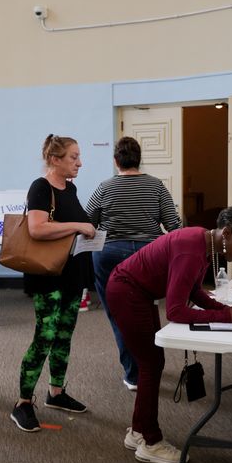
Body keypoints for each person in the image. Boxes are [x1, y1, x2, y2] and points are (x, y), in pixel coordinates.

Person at [105, 205, 232, 463]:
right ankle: (150, 443)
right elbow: (176, 311)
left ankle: (138, 431)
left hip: (136, 292)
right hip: (128, 292)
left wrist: (227, 310)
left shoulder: (204, 241)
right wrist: (224, 316)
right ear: (228, 233)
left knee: (151, 363)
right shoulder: (192, 248)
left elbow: (194, 291)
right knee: (151, 364)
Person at [9, 134, 96, 432]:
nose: (79, 163)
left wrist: (88, 231)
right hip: (48, 276)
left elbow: (69, 228)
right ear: (55, 159)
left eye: (78, 156)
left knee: (63, 336)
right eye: (73, 157)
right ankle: (22, 402)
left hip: (72, 274)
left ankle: (55, 393)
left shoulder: (69, 188)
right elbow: (37, 228)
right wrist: (79, 226)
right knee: (44, 337)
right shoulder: (40, 187)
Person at [85, 136, 181, 391]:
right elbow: (174, 226)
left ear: (116, 160)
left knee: (120, 315)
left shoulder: (104, 187)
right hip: (149, 257)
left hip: (110, 255)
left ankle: (134, 373)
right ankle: (152, 365)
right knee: (147, 311)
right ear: (139, 160)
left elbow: (87, 223)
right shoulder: (157, 186)